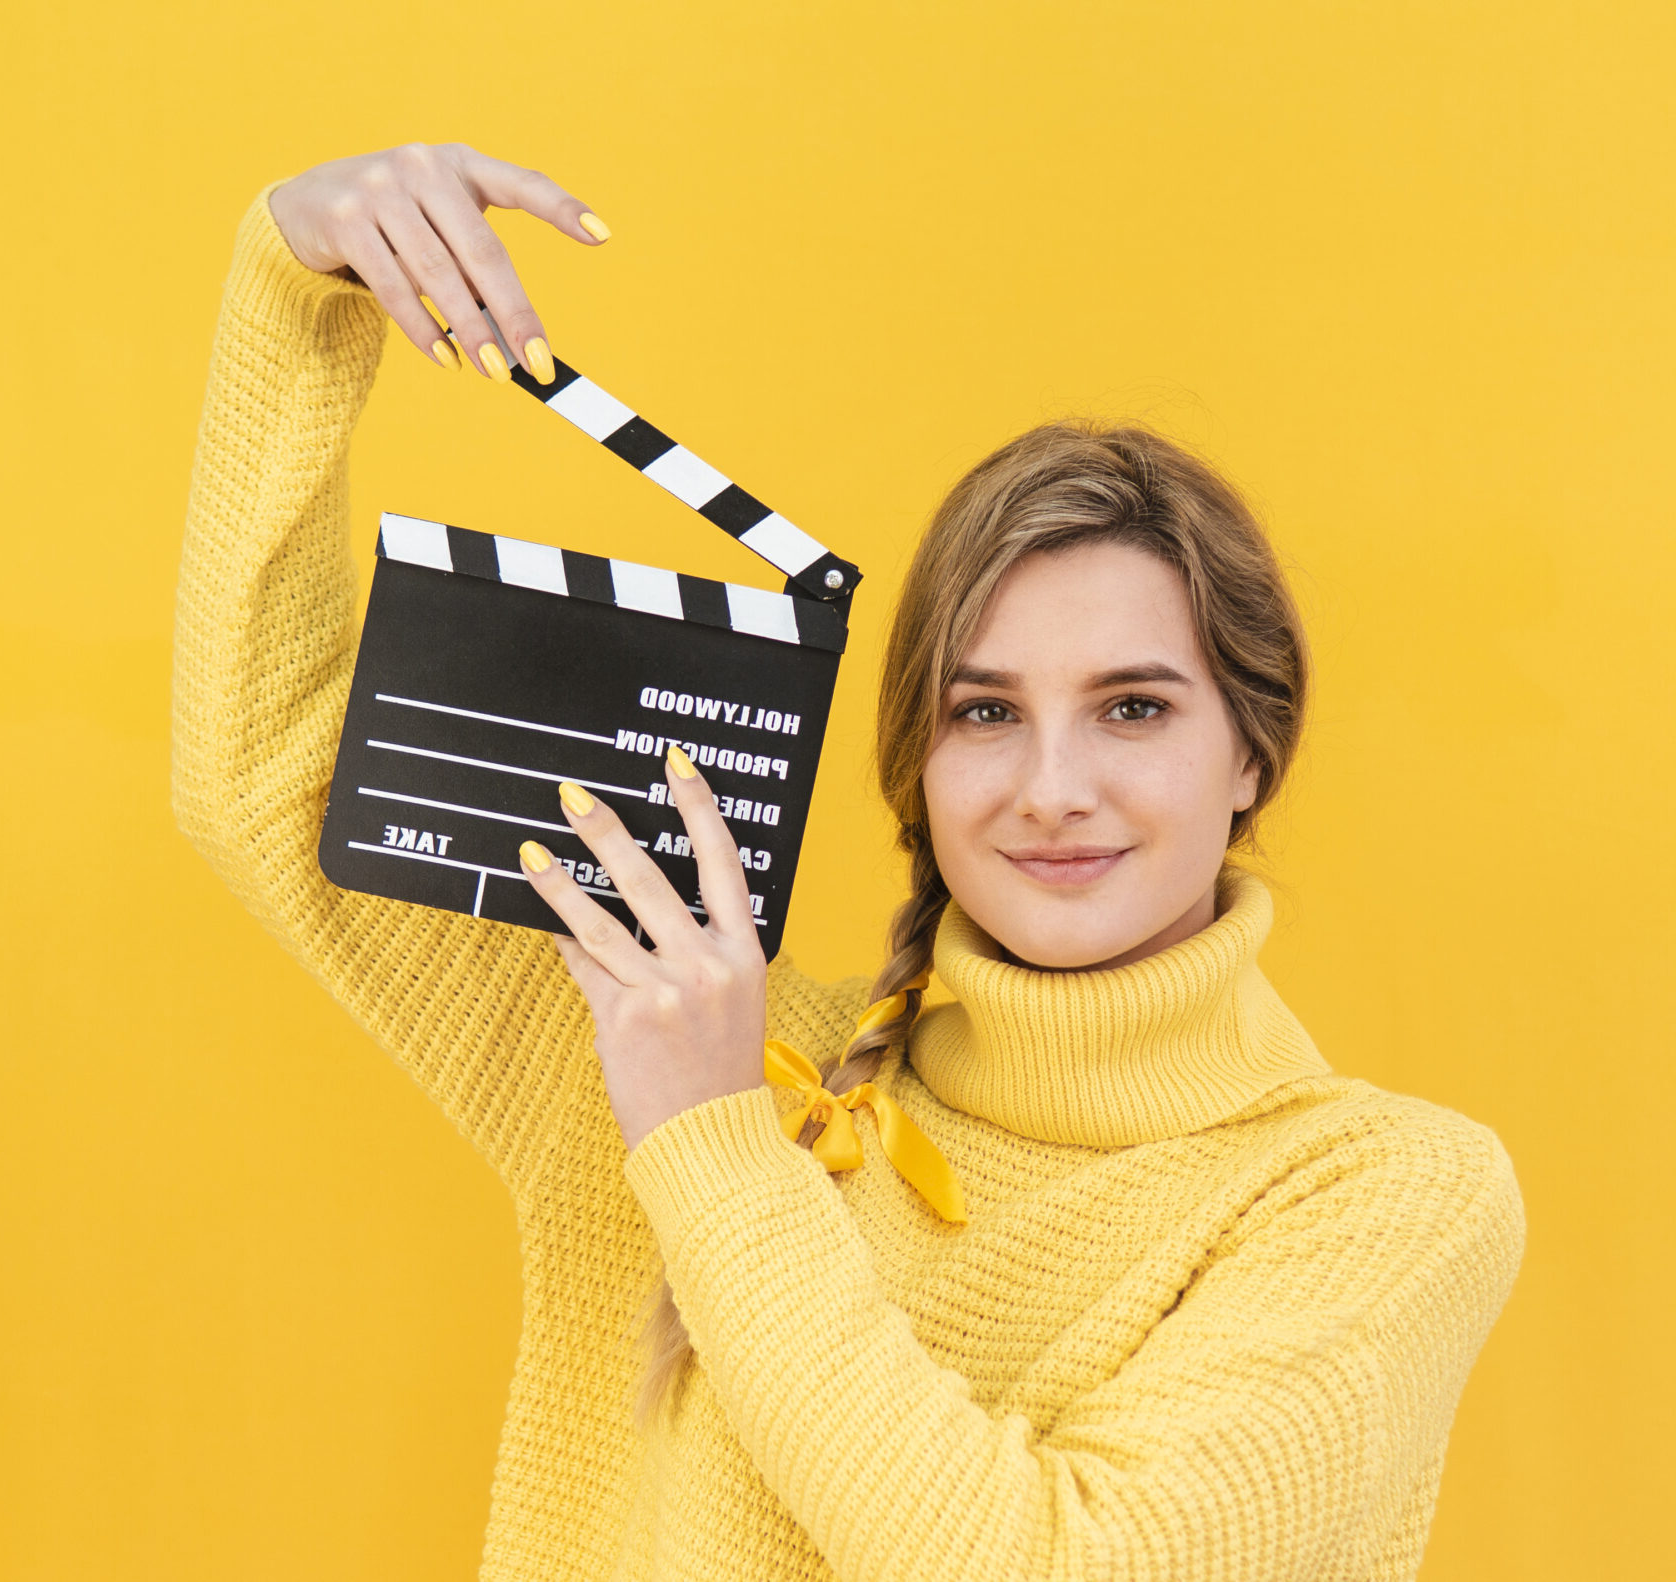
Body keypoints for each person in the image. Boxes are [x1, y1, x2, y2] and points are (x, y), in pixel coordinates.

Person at [172, 141, 1521, 1582]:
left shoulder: (1377, 1191)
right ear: (916, 769)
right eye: (983, 711)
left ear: (1251, 750)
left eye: (1134, 706)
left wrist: (707, 1147)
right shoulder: (688, 1038)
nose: (1053, 789)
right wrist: (294, 281)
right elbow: (270, 782)